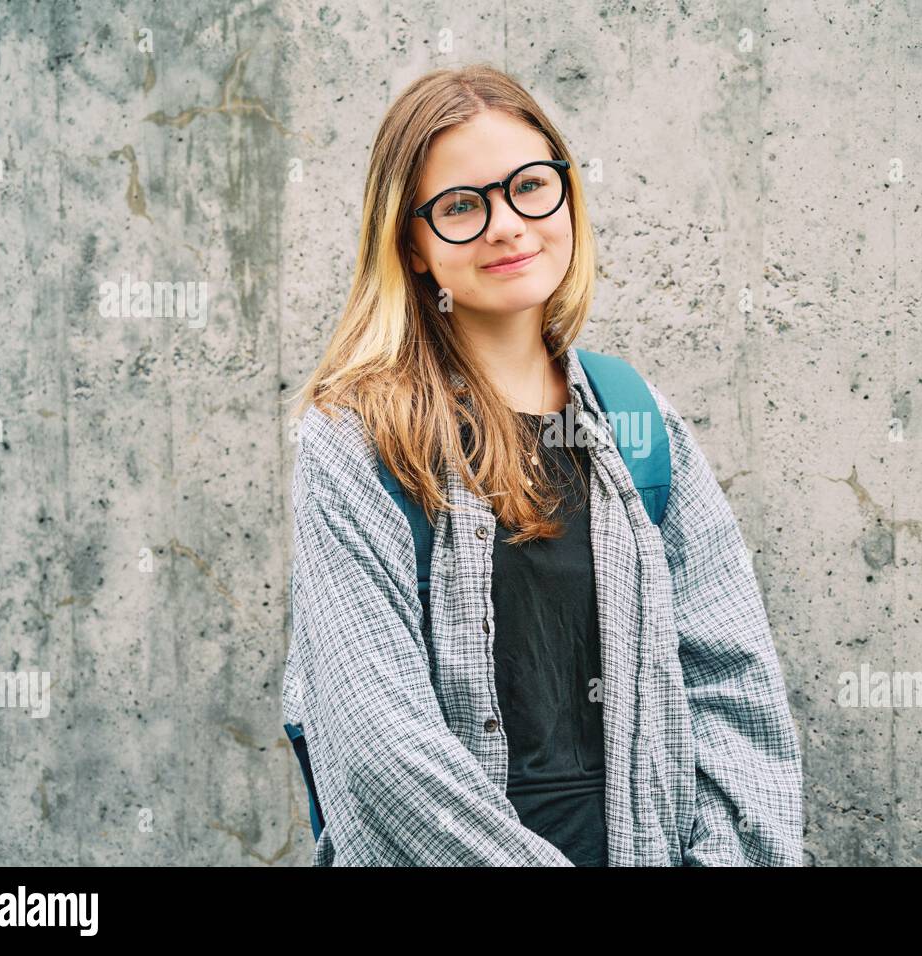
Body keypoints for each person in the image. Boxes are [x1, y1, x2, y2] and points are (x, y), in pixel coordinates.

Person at [280, 63, 803, 866]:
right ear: (411, 246)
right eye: (461, 206)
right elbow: (378, 749)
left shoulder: (640, 423)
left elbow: (735, 694)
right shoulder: (354, 441)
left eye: (530, 186)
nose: (507, 224)